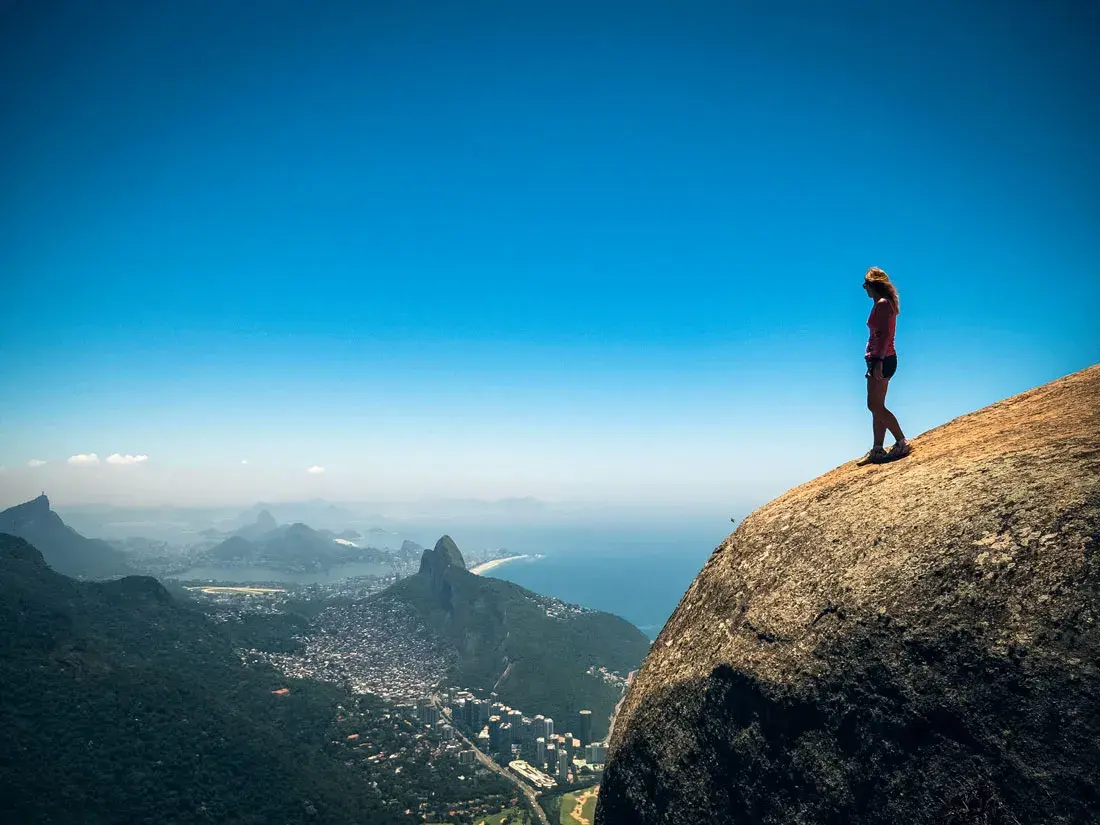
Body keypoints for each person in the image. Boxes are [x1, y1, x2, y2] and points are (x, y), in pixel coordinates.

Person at [856, 267, 910, 465]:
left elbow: (885, 335)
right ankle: (877, 449)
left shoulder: (883, 304)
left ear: (873, 285)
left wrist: (878, 362)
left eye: (865, 285)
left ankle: (901, 441)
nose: (864, 289)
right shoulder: (881, 303)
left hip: (882, 359)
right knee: (877, 406)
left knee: (874, 405)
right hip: (879, 358)